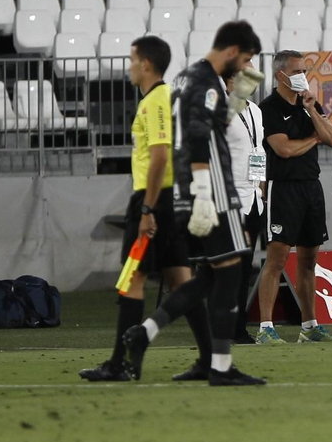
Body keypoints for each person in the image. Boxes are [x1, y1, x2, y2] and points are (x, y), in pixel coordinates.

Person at [121, 21, 267, 385]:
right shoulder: (205, 83)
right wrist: (204, 192)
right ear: (231, 51)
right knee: (230, 274)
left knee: (208, 277)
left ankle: (145, 333)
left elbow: (212, 124)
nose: (245, 66)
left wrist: (239, 95)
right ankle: (220, 366)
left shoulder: (187, 78)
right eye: (245, 59)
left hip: (187, 190)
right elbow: (201, 137)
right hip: (211, 188)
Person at [80, 35, 211, 382]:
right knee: (181, 281)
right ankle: (210, 359)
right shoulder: (167, 99)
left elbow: (159, 157)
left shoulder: (155, 101)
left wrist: (148, 210)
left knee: (132, 278)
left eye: (132, 60)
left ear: (147, 64)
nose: (130, 67)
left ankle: (120, 363)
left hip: (155, 200)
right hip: (171, 198)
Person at [254, 50, 332, 343]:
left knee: (309, 259)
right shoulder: (269, 109)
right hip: (283, 188)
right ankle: (265, 328)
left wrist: (312, 110)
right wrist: (314, 138)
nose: (304, 76)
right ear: (281, 75)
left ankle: (310, 326)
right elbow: (284, 149)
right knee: (276, 259)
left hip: (311, 187)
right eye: (297, 71)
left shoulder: (308, 104)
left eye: (305, 70)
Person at [224, 62, 265, 345]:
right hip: (230, 199)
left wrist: (261, 188)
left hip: (253, 200)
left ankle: (238, 329)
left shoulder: (255, 111)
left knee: (244, 268)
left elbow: (258, 150)